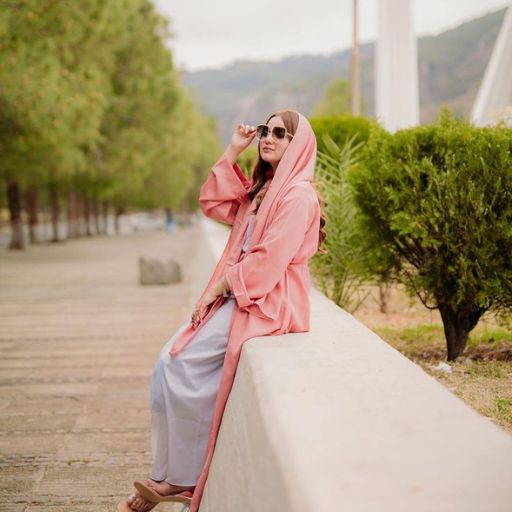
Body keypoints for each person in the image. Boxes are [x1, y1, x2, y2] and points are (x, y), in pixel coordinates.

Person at [117, 109, 326, 512]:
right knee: (167, 364)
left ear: (297, 144)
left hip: (268, 300)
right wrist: (233, 149)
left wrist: (218, 287)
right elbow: (213, 204)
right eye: (266, 131)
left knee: (179, 364)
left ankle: (179, 478)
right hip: (243, 293)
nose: (269, 138)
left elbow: (270, 259)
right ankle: (166, 475)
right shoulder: (263, 192)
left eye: (280, 134)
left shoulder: (298, 195)